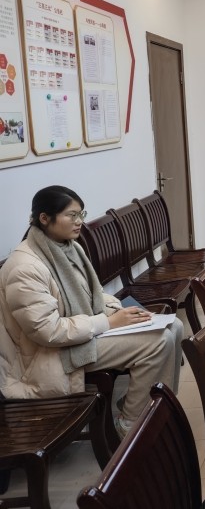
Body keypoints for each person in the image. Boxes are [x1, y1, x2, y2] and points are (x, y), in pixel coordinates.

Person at [0, 186, 183, 439]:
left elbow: (90, 294)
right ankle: (130, 425)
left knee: (174, 326)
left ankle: (155, 406)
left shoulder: (67, 247)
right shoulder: (25, 268)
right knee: (157, 342)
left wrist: (124, 313)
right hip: (48, 356)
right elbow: (48, 332)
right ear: (44, 218)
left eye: (81, 214)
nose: (79, 222)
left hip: (79, 336)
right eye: (72, 215)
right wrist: (109, 322)